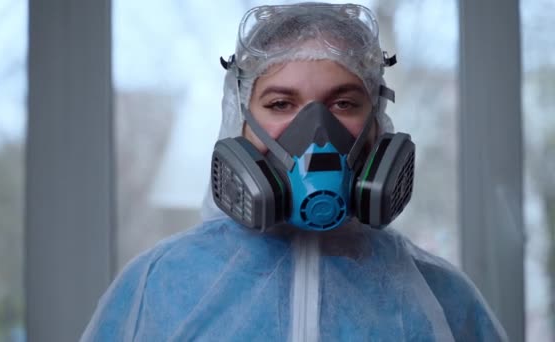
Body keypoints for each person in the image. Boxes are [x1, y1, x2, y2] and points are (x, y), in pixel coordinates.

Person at [81, 3, 507, 341]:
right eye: (280, 104)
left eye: (343, 104)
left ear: (377, 124)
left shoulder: (441, 296)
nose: (317, 133)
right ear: (239, 121)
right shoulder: (159, 285)